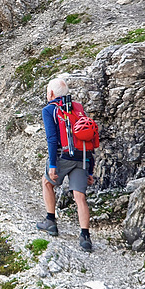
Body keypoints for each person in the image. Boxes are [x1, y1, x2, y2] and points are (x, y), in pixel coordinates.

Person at [36, 78, 95, 252]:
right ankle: (85, 237)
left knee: (47, 183)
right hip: (83, 157)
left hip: (64, 156)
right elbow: (87, 136)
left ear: (52, 94)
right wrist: (89, 169)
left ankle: (50, 221)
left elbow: (52, 139)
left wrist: (53, 164)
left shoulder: (50, 110)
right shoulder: (77, 108)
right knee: (80, 196)